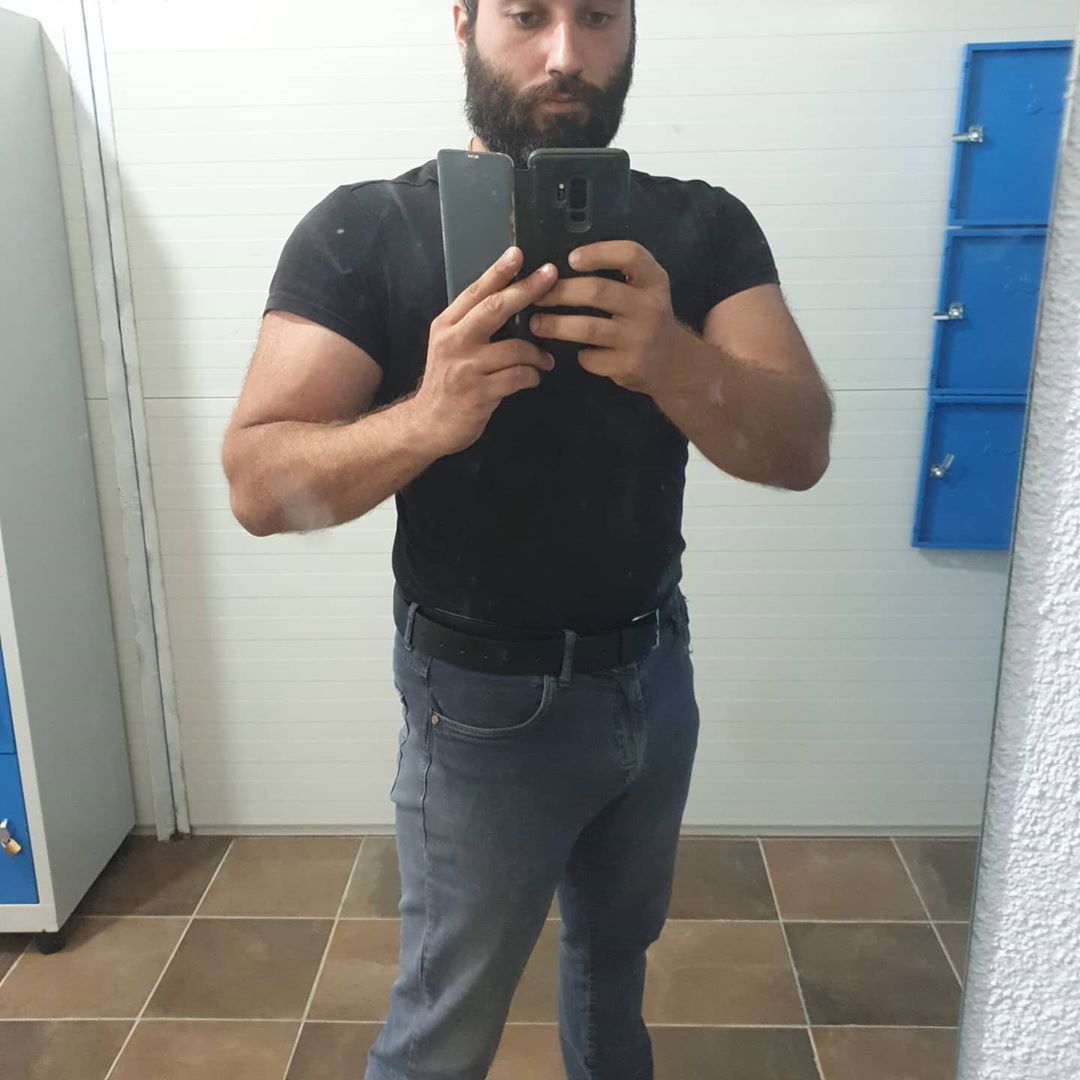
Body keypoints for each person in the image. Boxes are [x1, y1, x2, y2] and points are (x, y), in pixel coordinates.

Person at [222, 1, 832, 1076]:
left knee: (614, 971)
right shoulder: (365, 229)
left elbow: (800, 448)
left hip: (656, 674)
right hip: (480, 708)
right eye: (527, 15)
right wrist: (428, 414)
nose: (566, 54)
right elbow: (257, 485)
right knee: (442, 1033)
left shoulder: (704, 228)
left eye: (597, 17)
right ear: (461, 21)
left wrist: (674, 360)